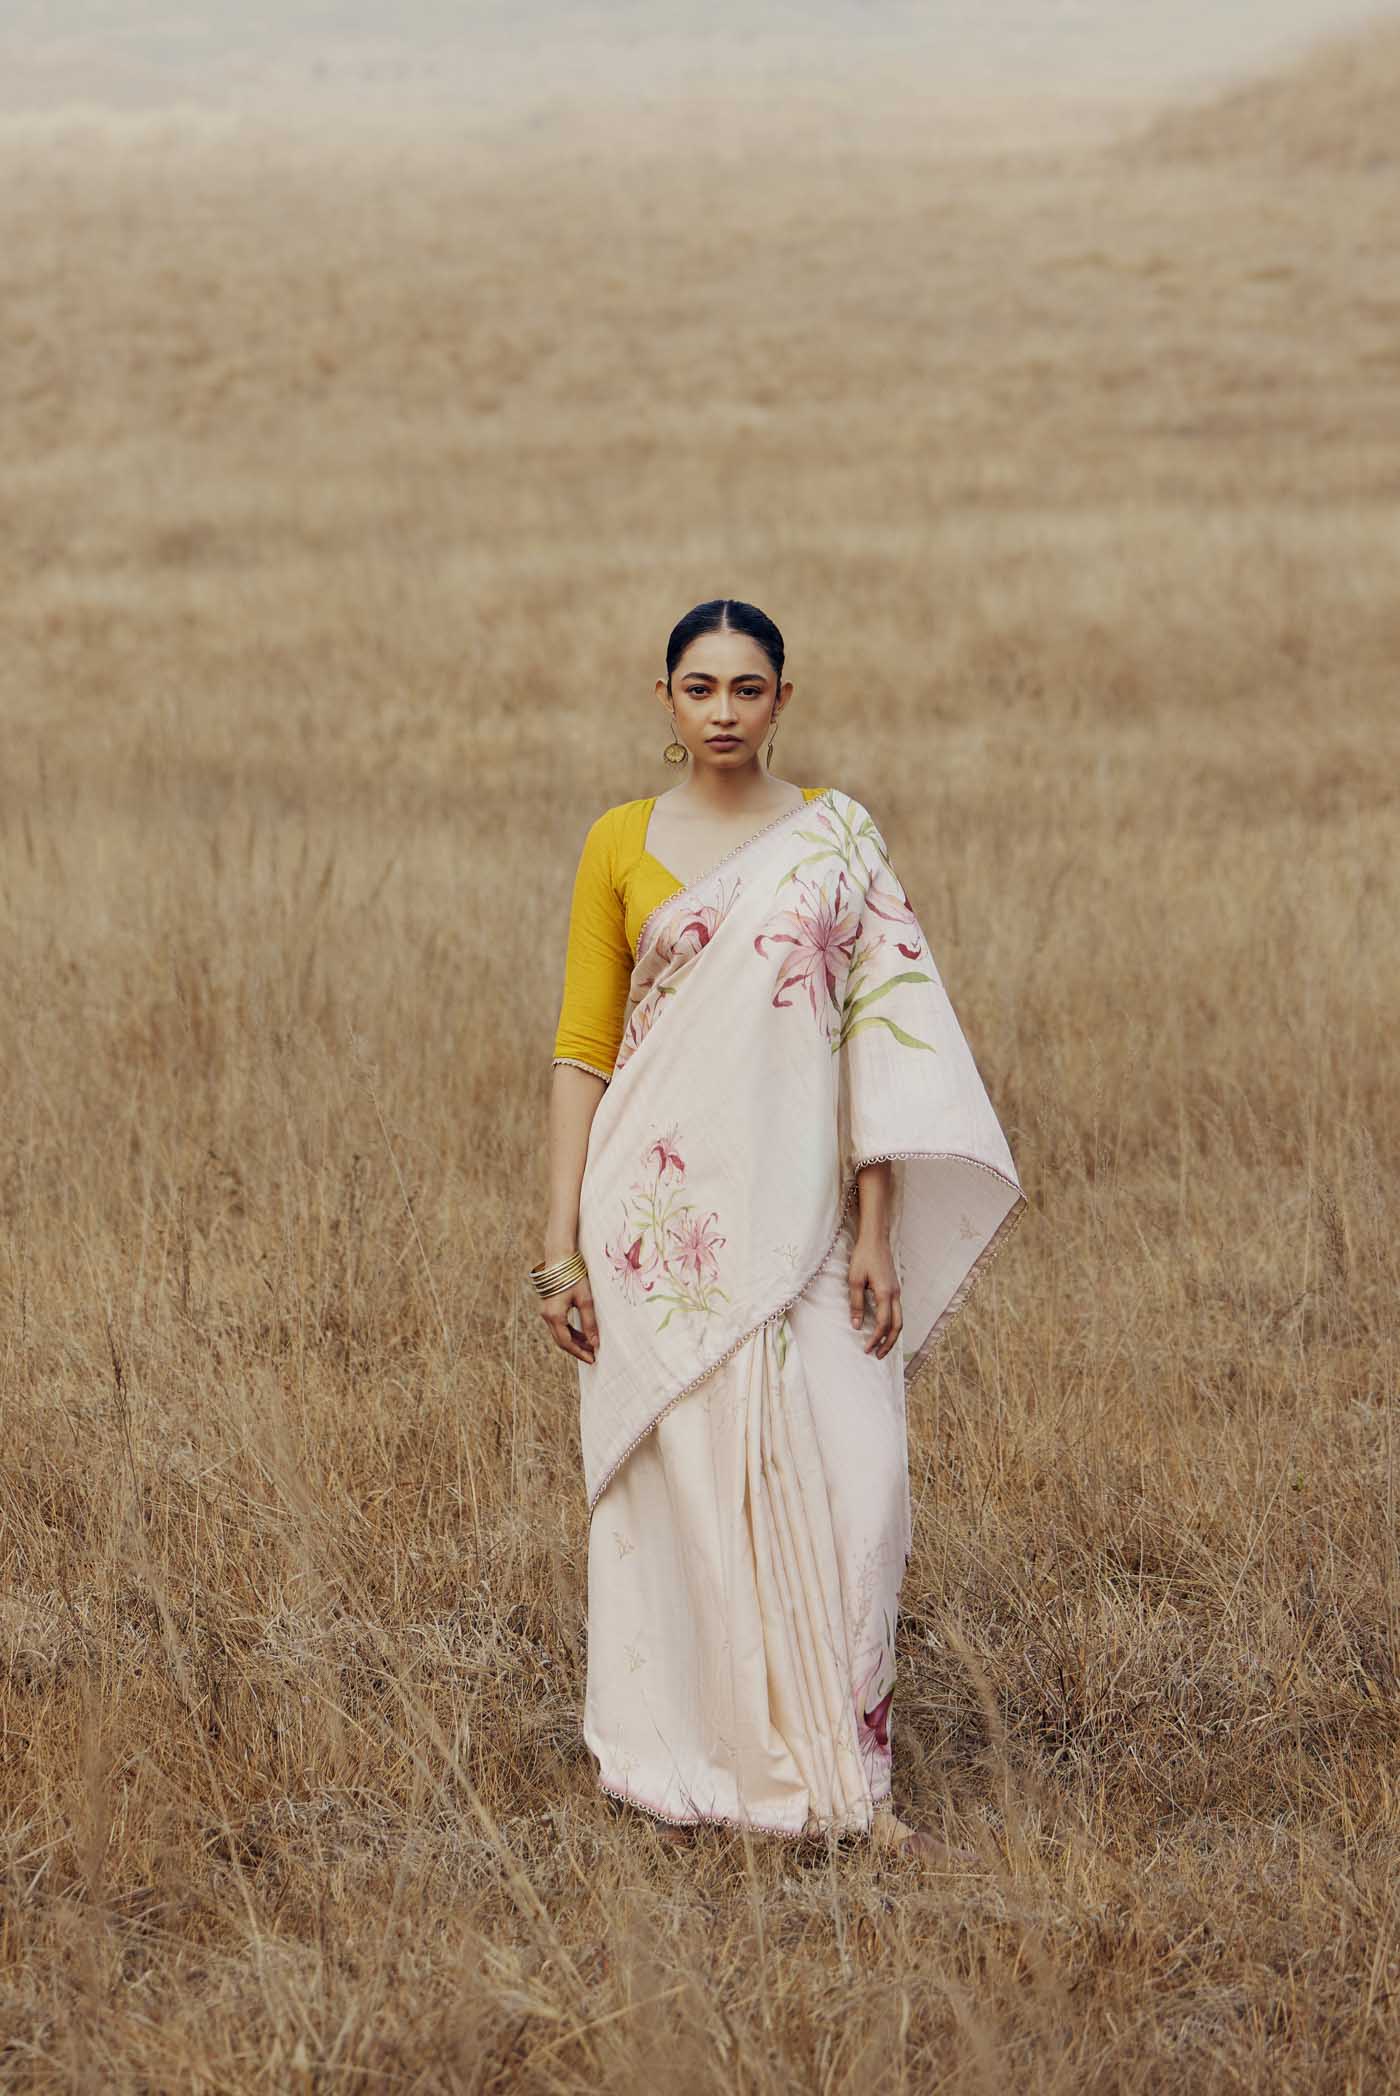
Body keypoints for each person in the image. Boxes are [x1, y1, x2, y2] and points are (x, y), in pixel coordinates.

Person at [531, 597, 1027, 1857]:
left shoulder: (831, 842)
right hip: (662, 1221)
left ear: (781, 702)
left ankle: (841, 1766)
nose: (721, 711)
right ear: (665, 702)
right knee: (697, 1499)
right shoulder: (618, 843)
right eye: (698, 688)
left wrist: (874, 1225)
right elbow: (584, 1052)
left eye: (745, 689)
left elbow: (876, 1041)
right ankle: (727, 1771)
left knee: (864, 1485)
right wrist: (557, 1246)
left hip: (804, 1211)